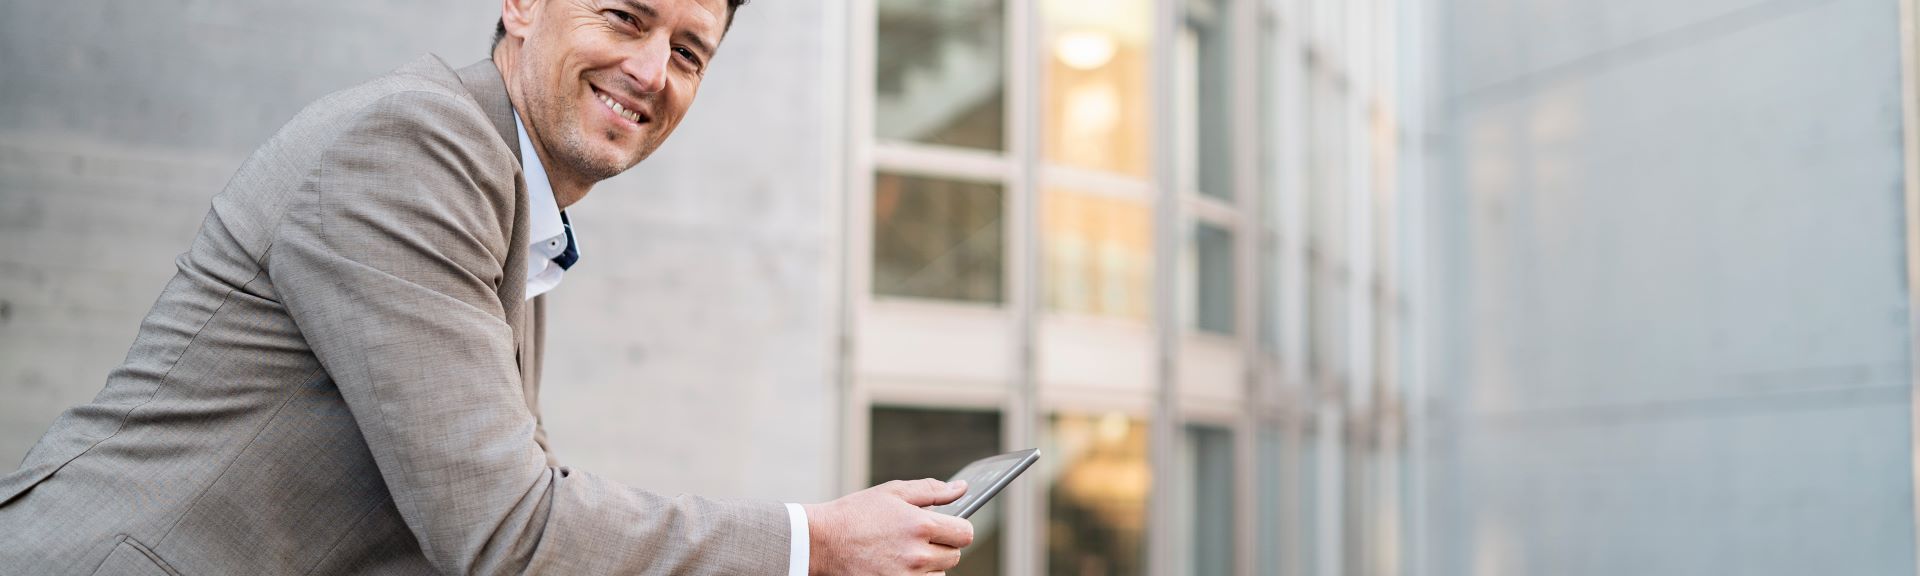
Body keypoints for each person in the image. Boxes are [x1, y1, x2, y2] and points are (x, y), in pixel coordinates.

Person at [0, 0, 974, 573]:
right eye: (626, 15)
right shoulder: (414, 146)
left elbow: (444, 516)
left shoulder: (509, 198)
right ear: (520, 2)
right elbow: (505, 528)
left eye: (687, 51)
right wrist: (816, 544)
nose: (649, 71)